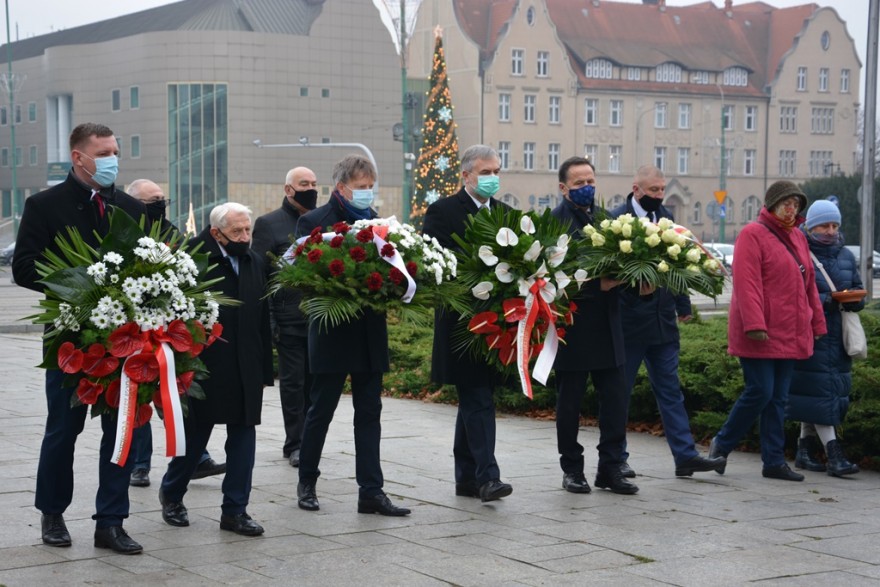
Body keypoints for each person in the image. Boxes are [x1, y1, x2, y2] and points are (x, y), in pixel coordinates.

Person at [13, 122, 148, 554]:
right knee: (63, 429)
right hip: (70, 338)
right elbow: (24, 266)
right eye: (104, 152)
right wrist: (82, 284)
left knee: (119, 429)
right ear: (79, 158)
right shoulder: (44, 205)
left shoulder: (129, 206)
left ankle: (111, 521)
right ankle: (52, 514)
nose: (112, 159)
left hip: (123, 339)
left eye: (115, 151)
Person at [294, 155, 410, 516]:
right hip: (331, 331)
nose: (367, 194)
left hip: (368, 333)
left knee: (370, 413)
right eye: (361, 188)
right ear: (341, 188)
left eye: (370, 187)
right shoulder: (313, 222)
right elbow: (304, 276)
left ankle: (371, 492)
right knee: (321, 411)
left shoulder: (378, 223)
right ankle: (307, 482)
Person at [158, 203, 274, 536]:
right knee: (196, 436)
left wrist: (265, 370)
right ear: (216, 233)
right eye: (237, 232)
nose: (245, 236)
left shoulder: (254, 260)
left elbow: (262, 319)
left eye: (248, 229)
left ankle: (235, 511)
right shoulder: (192, 261)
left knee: (243, 438)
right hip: (206, 365)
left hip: (246, 364)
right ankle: (173, 492)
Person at [609, 166, 726, 478]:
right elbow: (609, 275)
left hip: (663, 323)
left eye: (662, 190)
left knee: (672, 392)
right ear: (636, 189)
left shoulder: (668, 220)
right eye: (654, 191)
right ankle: (615, 458)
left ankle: (685, 456)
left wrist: (683, 305)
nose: (659, 196)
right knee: (621, 393)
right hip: (630, 324)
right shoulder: (615, 222)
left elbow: (679, 265)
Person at [709, 181, 827, 481]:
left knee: (778, 397)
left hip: (790, 329)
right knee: (760, 391)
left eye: (796, 204)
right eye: (786, 203)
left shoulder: (798, 237)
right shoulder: (752, 234)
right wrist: (755, 324)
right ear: (772, 204)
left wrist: (817, 323)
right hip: (758, 331)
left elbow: (809, 283)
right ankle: (721, 445)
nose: (792, 209)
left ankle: (773, 461)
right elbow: (747, 284)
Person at [423, 144, 514, 503]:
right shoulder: (443, 211)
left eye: (496, 172)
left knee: (477, 396)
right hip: (462, 324)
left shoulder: (507, 214)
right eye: (485, 172)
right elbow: (438, 263)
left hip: (497, 324)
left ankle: (465, 478)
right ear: (466, 175)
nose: (492, 178)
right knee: (477, 396)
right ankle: (488, 477)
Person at [125, 179, 225, 488]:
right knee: (138, 394)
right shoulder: (124, 232)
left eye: (161, 199)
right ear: (134, 204)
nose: (159, 205)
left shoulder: (171, 232)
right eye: (151, 201)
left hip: (168, 327)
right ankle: (139, 465)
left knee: (171, 394)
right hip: (131, 327)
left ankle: (196, 457)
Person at [550, 156, 637, 495]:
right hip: (573, 327)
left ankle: (611, 467)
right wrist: (594, 286)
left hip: (609, 326)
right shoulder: (554, 223)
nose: (587, 188)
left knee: (616, 399)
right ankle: (572, 469)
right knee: (569, 403)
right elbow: (549, 279)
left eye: (590, 181)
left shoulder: (605, 219)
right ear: (563, 188)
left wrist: (636, 280)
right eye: (579, 183)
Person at [787, 199, 862, 477]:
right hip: (812, 334)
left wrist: (855, 300)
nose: (830, 231)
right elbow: (794, 294)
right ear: (810, 226)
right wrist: (826, 299)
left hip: (838, 336)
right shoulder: (801, 253)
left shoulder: (845, 255)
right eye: (823, 225)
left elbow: (857, 287)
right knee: (819, 394)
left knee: (817, 395)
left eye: (834, 225)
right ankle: (834, 454)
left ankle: (804, 451)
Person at [252, 167, 318, 468]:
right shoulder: (268, 224)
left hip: (320, 319)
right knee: (293, 384)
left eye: (315, 184)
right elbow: (260, 277)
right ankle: (296, 443)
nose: (311, 188)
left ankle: (310, 439)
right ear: (288, 189)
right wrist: (270, 322)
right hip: (288, 319)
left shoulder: (322, 222)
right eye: (304, 184)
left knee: (314, 385)